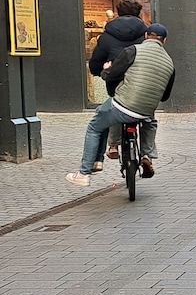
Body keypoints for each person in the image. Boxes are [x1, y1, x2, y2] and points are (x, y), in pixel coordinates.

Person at [67, 23, 175, 186]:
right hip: (147, 110)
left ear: (146, 36)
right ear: (164, 41)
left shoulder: (133, 50)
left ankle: (84, 173)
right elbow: (165, 96)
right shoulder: (169, 62)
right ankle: (145, 155)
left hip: (124, 104)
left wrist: (105, 70)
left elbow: (113, 73)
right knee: (143, 121)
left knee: (95, 125)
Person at [87, 0, 155, 168]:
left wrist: (100, 71)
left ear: (118, 12)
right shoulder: (146, 35)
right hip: (141, 83)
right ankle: (147, 154)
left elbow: (96, 62)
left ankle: (113, 145)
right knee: (148, 116)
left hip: (116, 82)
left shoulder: (107, 35)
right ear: (139, 13)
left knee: (117, 107)